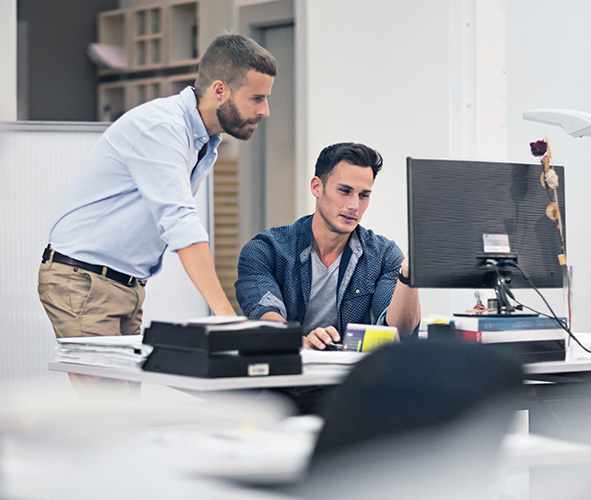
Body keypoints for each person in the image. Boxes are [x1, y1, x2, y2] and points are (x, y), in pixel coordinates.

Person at [38, 34, 277, 340]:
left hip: (126, 285)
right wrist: (227, 317)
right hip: (85, 279)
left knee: (123, 388)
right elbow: (179, 222)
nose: (265, 110)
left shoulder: (204, 141)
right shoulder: (162, 128)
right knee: (103, 390)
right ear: (220, 90)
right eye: (257, 98)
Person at [235, 142, 421, 350]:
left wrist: (408, 276)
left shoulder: (384, 255)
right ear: (316, 187)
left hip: (355, 379)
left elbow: (399, 331)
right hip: (287, 376)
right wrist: (299, 342)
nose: (354, 206)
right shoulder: (266, 250)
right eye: (344, 191)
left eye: (363, 195)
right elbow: (266, 315)